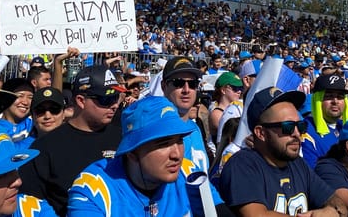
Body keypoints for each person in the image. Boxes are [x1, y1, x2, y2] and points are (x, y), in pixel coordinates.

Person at [219, 87, 348, 216]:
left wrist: (332, 211)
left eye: (301, 126)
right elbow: (257, 215)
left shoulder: (297, 163)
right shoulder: (242, 165)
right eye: (288, 127)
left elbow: (337, 203)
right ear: (261, 133)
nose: (297, 134)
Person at [19, 66, 125, 216]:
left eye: (115, 98)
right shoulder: (45, 148)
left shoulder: (125, 138)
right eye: (105, 99)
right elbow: (30, 204)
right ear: (81, 101)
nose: (114, 105)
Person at [68, 96, 199, 216]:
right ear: (132, 153)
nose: (177, 155)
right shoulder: (94, 188)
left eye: (179, 140)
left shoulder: (189, 173)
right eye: (163, 144)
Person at [160, 56, 230, 213]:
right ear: (164, 86)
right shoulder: (154, 133)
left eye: (192, 84)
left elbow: (204, 185)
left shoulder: (195, 129)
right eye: (178, 83)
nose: (186, 90)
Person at [301, 74, 348, 168]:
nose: (335, 101)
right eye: (328, 96)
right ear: (317, 100)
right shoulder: (306, 130)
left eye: (340, 97)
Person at [0, 78, 35, 150]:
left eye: (30, 97)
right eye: (20, 96)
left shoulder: (36, 123)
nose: (25, 102)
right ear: (6, 98)